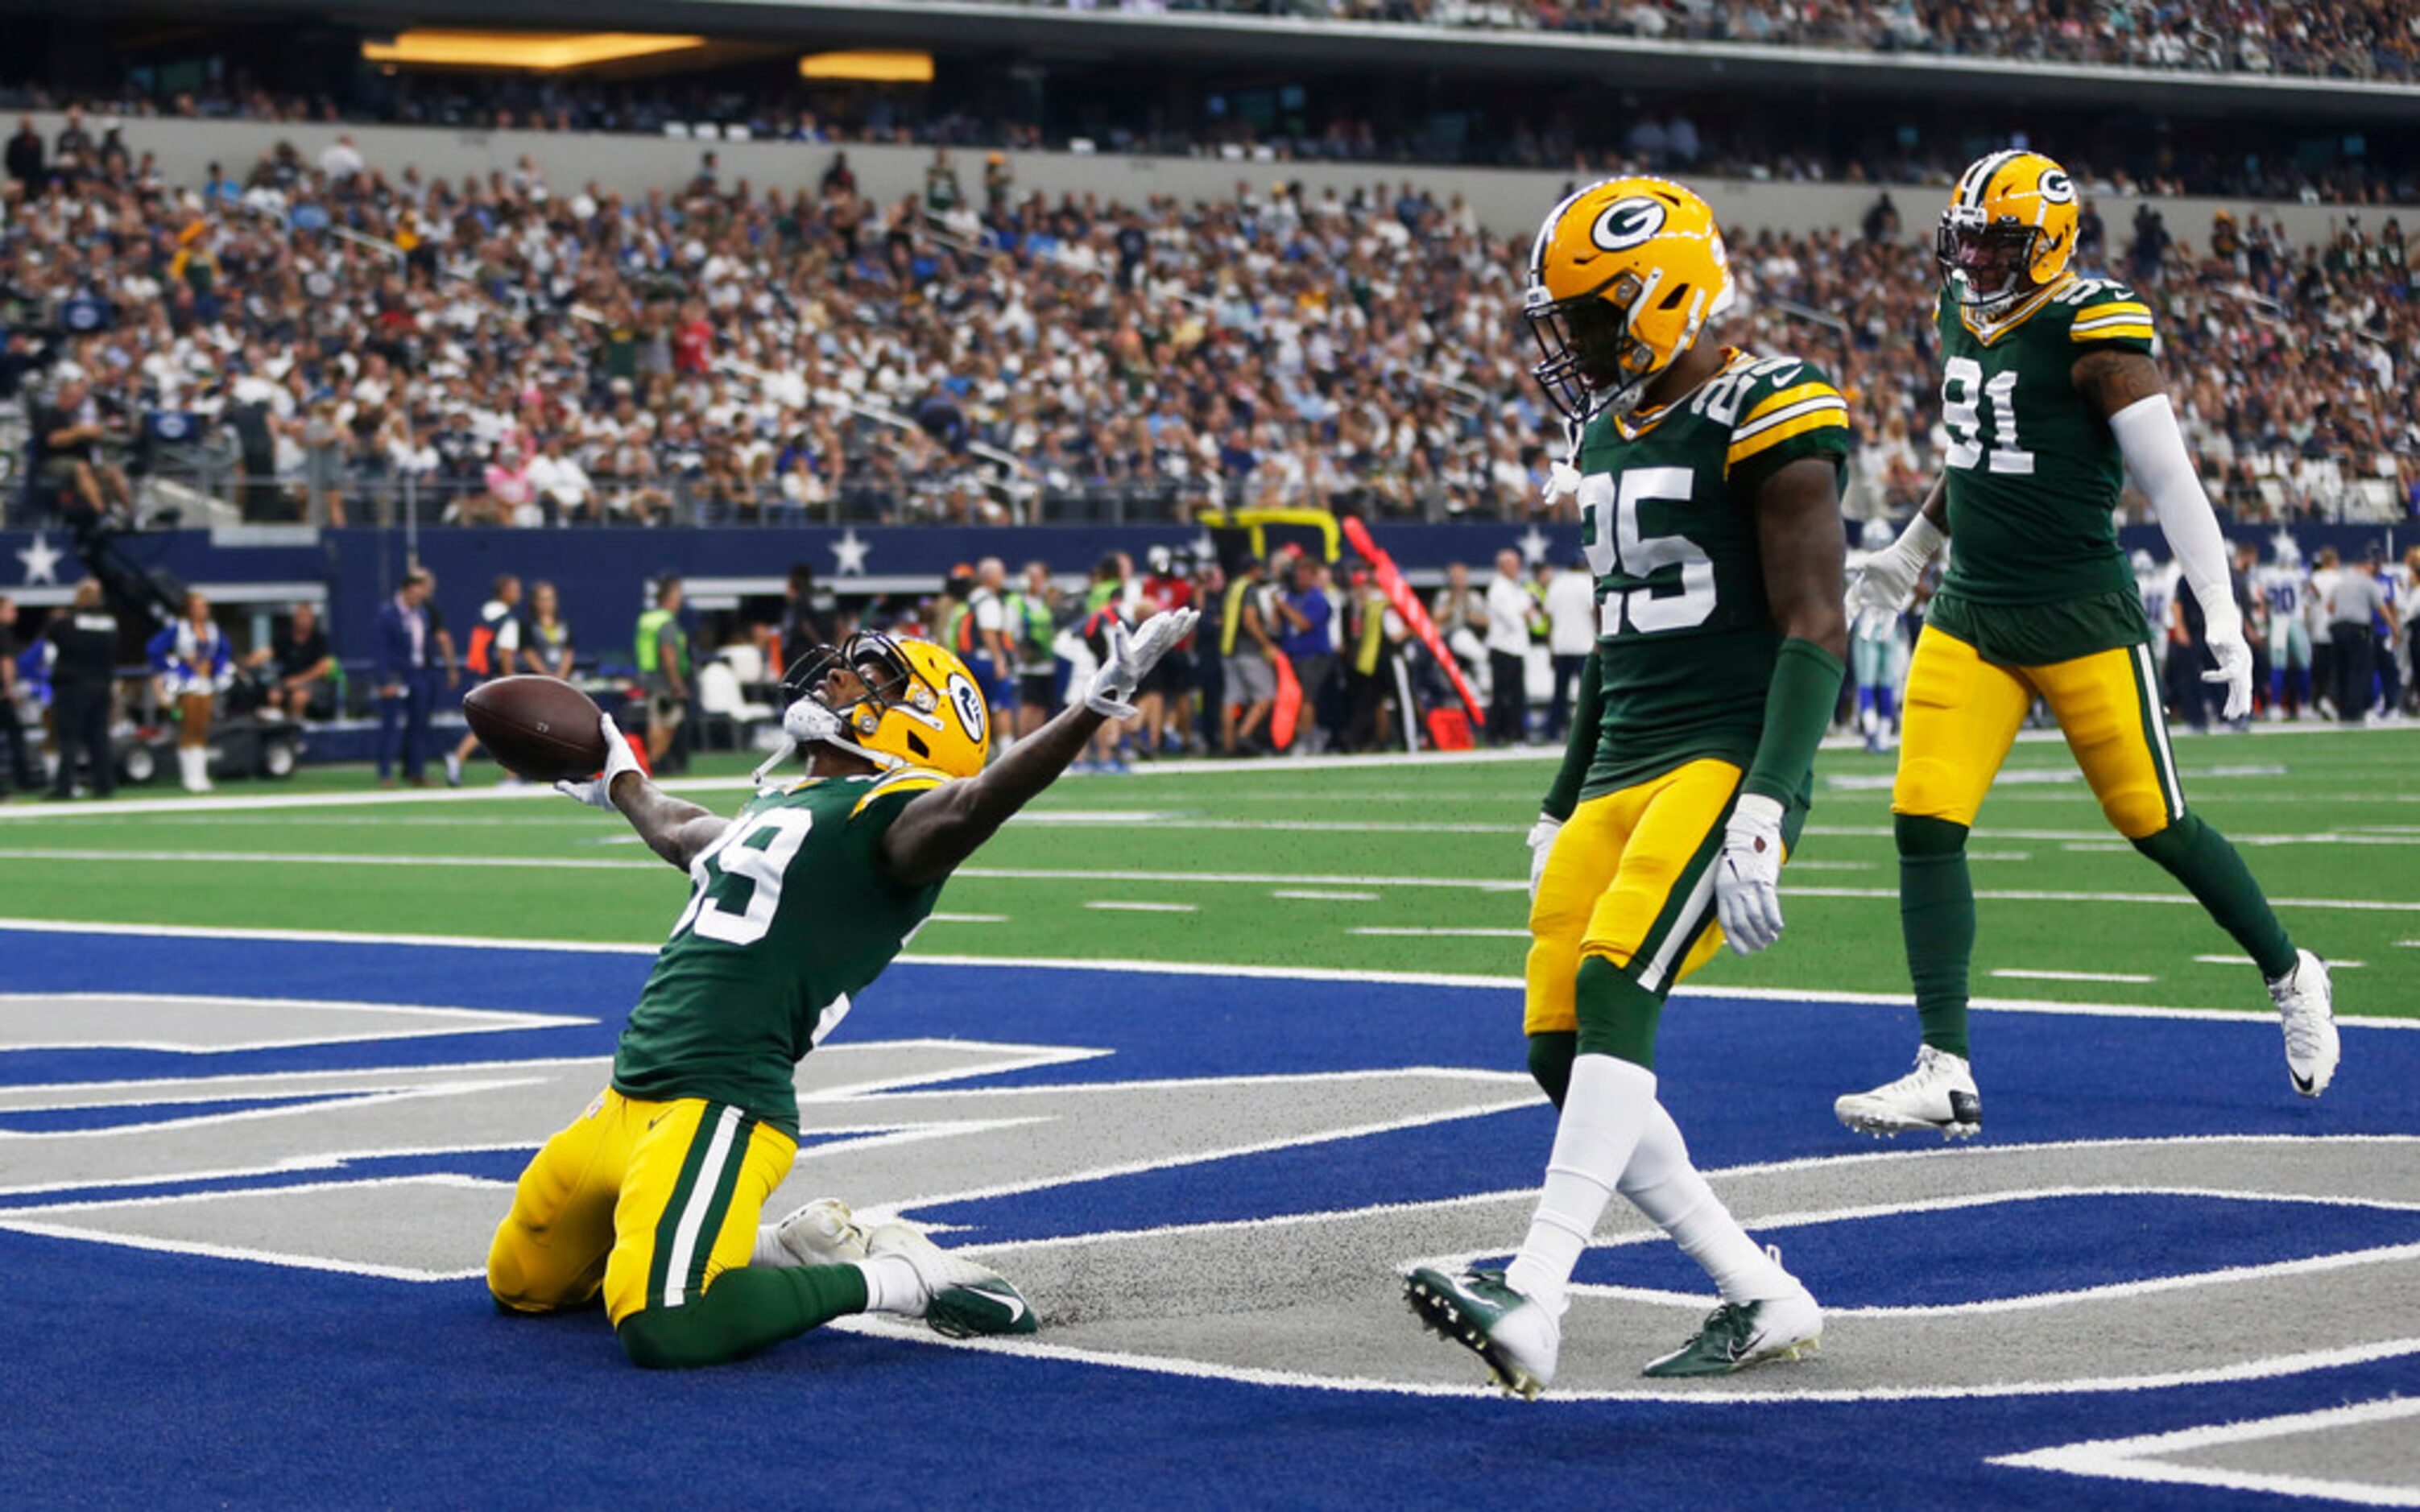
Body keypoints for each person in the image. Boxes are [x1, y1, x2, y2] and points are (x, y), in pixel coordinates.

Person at [1406, 176, 1850, 1396]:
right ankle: (1757, 1289)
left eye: (1596, 317)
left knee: (1617, 987)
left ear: (1669, 291)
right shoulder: (1607, 429)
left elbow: (1817, 619)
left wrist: (1768, 799)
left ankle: (1535, 1293)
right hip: (1622, 760)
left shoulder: (1770, 405)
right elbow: (1614, 639)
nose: (1581, 345)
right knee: (1557, 1040)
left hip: (1722, 752)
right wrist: (1557, 801)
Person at [490, 607, 1199, 1369]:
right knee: (525, 1283)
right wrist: (620, 776)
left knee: (672, 1324)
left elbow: (976, 801)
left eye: (874, 679)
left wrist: (1087, 711)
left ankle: (902, 1277)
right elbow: (681, 830)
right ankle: (780, 1247)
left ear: (923, 728)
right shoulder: (781, 805)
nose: (837, 675)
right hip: (627, 1100)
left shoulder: (895, 823)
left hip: (720, 1104)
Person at [1841, 150, 2338, 1140]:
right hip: (1972, 610)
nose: (1975, 258)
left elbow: (2171, 479)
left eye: (1996, 242)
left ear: (2051, 243)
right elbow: (1975, 459)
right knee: (1923, 820)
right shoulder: (1960, 308)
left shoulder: (2094, 327)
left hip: (2076, 614)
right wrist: (1906, 556)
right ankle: (1942, 1064)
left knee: (2155, 823)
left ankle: (2289, 971)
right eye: (1968, 239)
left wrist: (2220, 609)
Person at [147, 592, 232, 794]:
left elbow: (224, 652)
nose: (203, 609)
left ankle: (201, 774)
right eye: (198, 606)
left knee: (202, 727)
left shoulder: (212, 630)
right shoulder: (179, 628)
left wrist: (215, 668)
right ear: (189, 609)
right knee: (189, 726)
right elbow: (153, 649)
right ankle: (189, 776)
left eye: (205, 605)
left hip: (205, 681)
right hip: (186, 682)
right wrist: (176, 665)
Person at [45, 580, 119, 801]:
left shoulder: (67, 623)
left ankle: (65, 786)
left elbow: (52, 636)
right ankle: (104, 784)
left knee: (68, 739)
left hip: (73, 686)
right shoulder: (109, 623)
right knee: (98, 737)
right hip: (101, 685)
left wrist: (58, 618)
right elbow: (115, 650)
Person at [449, 575, 524, 785]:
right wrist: (512, 683)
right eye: (515, 590)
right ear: (504, 592)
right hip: (498, 681)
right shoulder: (508, 620)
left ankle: (458, 759)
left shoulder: (484, 613)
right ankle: (510, 778)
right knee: (511, 728)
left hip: (480, 678)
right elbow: (505, 654)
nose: (519, 594)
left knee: (490, 729)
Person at [374, 569, 436, 788]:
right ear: (405, 591)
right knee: (390, 725)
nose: (418, 598)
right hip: (396, 676)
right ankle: (385, 772)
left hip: (418, 674)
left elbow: (424, 646)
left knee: (419, 725)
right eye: (415, 593)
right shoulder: (387, 615)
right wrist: (384, 681)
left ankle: (416, 770)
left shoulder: (422, 614)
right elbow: (381, 651)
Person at [1269, 554, 1334, 755]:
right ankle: (1308, 735)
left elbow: (1304, 624)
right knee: (1294, 700)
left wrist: (1282, 607)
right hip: (1294, 656)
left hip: (1314, 655)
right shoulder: (1292, 596)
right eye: (1299, 575)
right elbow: (1277, 626)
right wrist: (1276, 609)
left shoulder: (1318, 598)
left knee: (1306, 699)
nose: (1301, 580)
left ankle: (1307, 740)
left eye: (1306, 576)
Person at [1218, 557, 1278, 755]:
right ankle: (1244, 734)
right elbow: (1250, 621)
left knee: (1231, 700)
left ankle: (1228, 744)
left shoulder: (1232, 588)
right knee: (1265, 696)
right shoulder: (1250, 589)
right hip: (1248, 650)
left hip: (1228, 650)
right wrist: (1267, 645)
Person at [2323, 554, 2390, 725]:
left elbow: (2330, 606)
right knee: (2357, 670)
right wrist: (2395, 628)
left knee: (2341, 669)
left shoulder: (2342, 583)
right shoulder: (2368, 583)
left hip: (2338, 627)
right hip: (2357, 628)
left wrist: (2342, 614)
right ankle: (2353, 711)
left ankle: (2341, 707)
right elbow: (2382, 608)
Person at [636, 577, 693, 771]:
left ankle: (653, 760)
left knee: (657, 719)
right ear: (668, 599)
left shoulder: (648, 619)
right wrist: (677, 684)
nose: (680, 601)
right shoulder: (666, 623)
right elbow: (668, 655)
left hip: (649, 677)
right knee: (665, 722)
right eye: (677, 597)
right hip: (663, 681)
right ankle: (654, 761)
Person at [1541, 555, 1596, 742]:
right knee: (1589, 694)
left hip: (1561, 646)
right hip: (1584, 646)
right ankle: (1590, 734)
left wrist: (1551, 647)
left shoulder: (1557, 583)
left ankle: (1552, 733)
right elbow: (1595, 612)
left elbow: (1548, 617)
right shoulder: (1587, 582)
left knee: (1559, 693)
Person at [250, 601, 335, 720]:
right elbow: (267, 652)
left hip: (311, 684)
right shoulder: (285, 639)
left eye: (306, 617)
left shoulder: (319, 641)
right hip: (285, 681)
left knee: (298, 697)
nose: (303, 620)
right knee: (274, 695)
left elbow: (324, 667)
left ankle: (295, 729)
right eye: (300, 616)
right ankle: (277, 727)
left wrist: (299, 681)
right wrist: (252, 660)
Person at [1483, 549, 1534, 746]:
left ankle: (1516, 735)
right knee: (1501, 694)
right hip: (1502, 647)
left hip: (1517, 648)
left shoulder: (1517, 588)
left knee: (1517, 695)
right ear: (1503, 567)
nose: (1517, 568)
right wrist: (1524, 614)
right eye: (1513, 564)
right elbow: (1513, 619)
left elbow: (1531, 615)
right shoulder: (1498, 589)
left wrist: (1524, 614)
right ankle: (1493, 735)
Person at [2257, 537, 2312, 719]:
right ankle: (2304, 706)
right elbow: (2309, 595)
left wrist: (2266, 625)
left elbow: (2265, 602)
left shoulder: (2268, 575)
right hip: (2294, 620)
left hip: (2277, 621)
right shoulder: (2299, 574)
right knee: (2303, 663)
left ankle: (2275, 707)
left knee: (2277, 666)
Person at [1007, 561, 1061, 742]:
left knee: (1041, 706)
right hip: (1026, 664)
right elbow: (1009, 632)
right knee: (1028, 705)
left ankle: (1034, 742)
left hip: (1046, 663)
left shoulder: (1045, 603)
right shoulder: (1017, 603)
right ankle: (1021, 742)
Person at [0, 596, 40, 799]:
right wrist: (9, 690)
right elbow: (6, 663)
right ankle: (22, 782)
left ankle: (23, 781)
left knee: (15, 735)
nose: (15, 615)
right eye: (11, 610)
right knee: (16, 737)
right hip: (2, 695)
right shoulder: (3, 633)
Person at [524, 580, 574, 680]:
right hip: (538, 679)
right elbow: (528, 653)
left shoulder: (564, 625)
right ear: (534, 602)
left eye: (550, 599)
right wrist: (546, 675)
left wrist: (561, 674)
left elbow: (568, 651)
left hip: (562, 678)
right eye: (542, 600)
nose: (547, 603)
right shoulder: (528, 626)